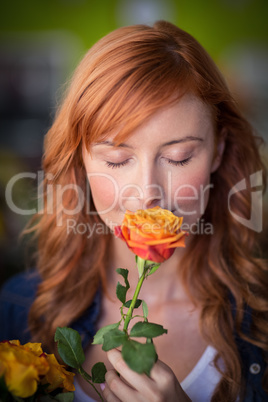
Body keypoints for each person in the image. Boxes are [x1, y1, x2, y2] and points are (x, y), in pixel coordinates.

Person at [0, 20, 268, 402]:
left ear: (219, 150)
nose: (147, 194)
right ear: (81, 160)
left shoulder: (261, 321)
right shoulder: (16, 310)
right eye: (116, 159)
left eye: (179, 157)